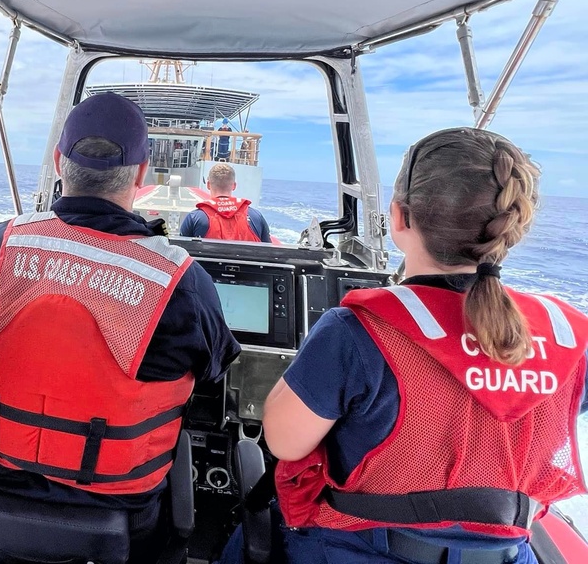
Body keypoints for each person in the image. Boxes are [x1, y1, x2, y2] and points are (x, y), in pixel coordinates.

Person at [252, 127, 588, 564]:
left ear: (400, 218)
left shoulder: (356, 331)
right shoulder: (570, 334)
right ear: (512, 225)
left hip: (352, 549)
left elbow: (284, 444)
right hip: (506, 554)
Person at [0, 92, 241, 562]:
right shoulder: (180, 282)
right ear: (141, 174)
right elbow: (213, 372)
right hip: (122, 509)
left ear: (57, 162)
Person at [180, 163, 271, 241]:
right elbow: (269, 251)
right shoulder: (256, 217)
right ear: (234, 186)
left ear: (208, 185)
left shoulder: (195, 217)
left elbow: (181, 252)